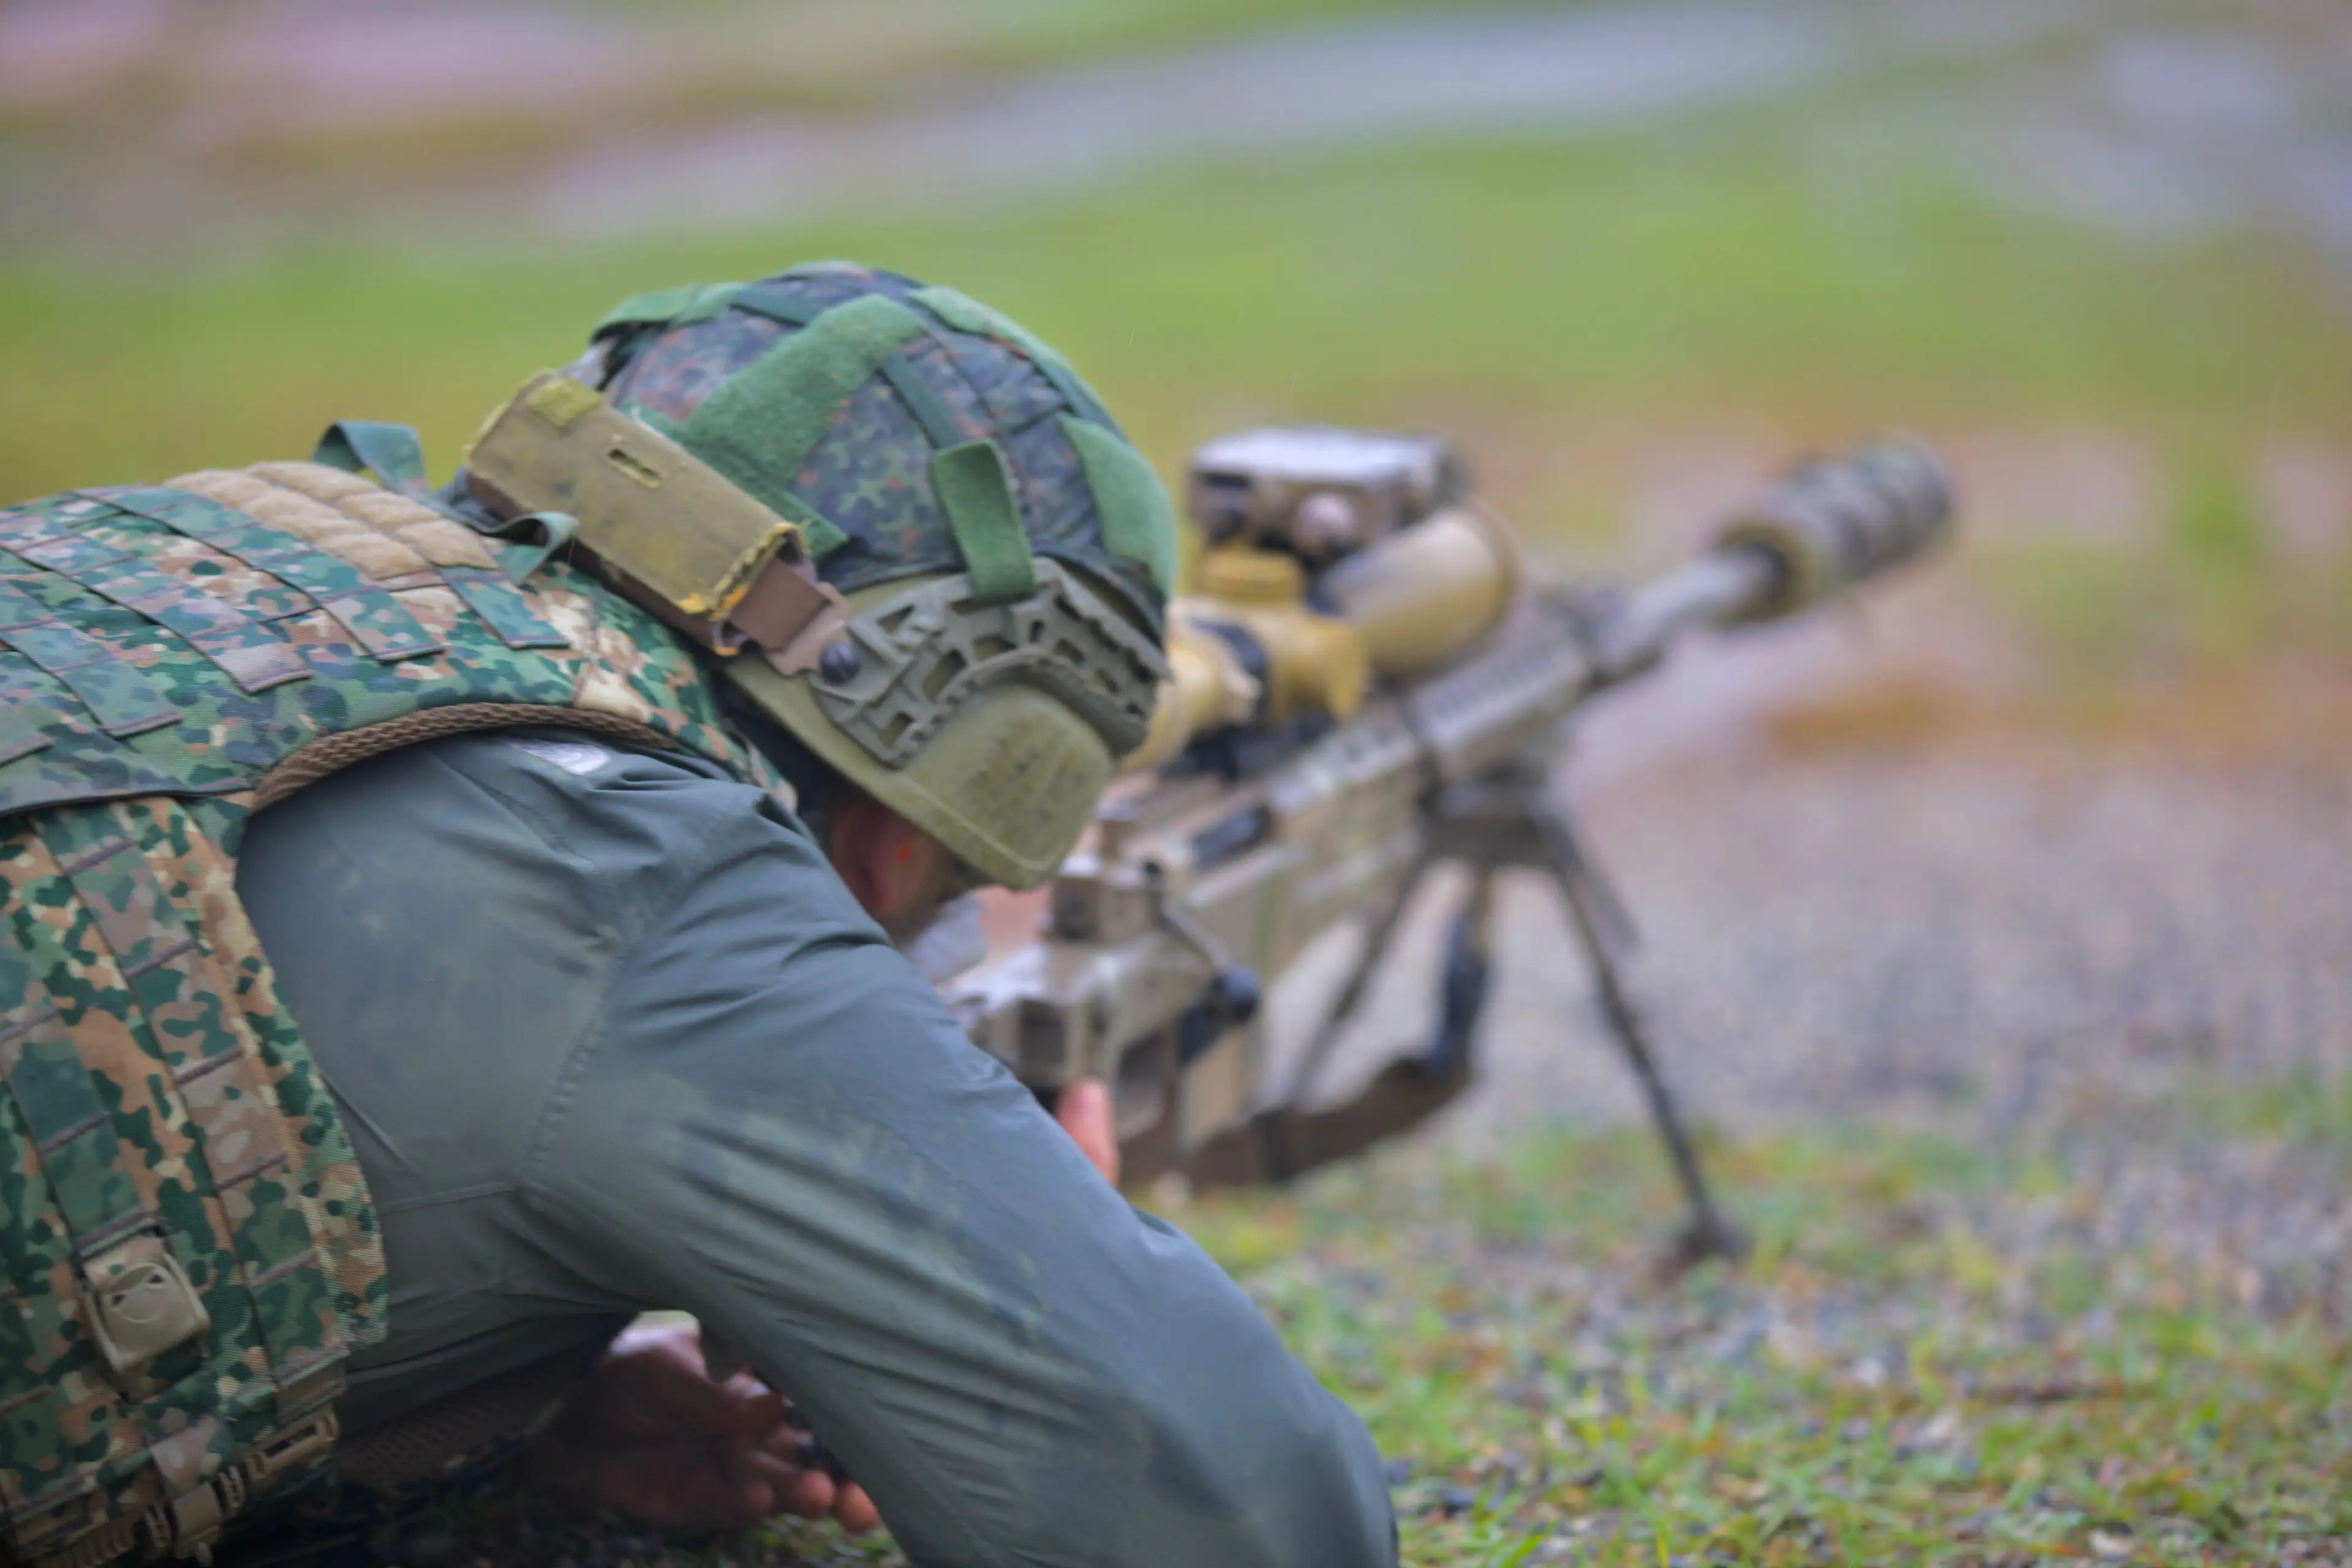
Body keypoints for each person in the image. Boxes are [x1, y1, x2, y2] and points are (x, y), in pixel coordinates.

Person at [0, 263, 1395, 1567]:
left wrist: (518, 1408)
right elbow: (1238, 1514)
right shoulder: (639, 879)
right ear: (913, 817)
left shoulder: (191, 581)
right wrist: (1017, 1225)